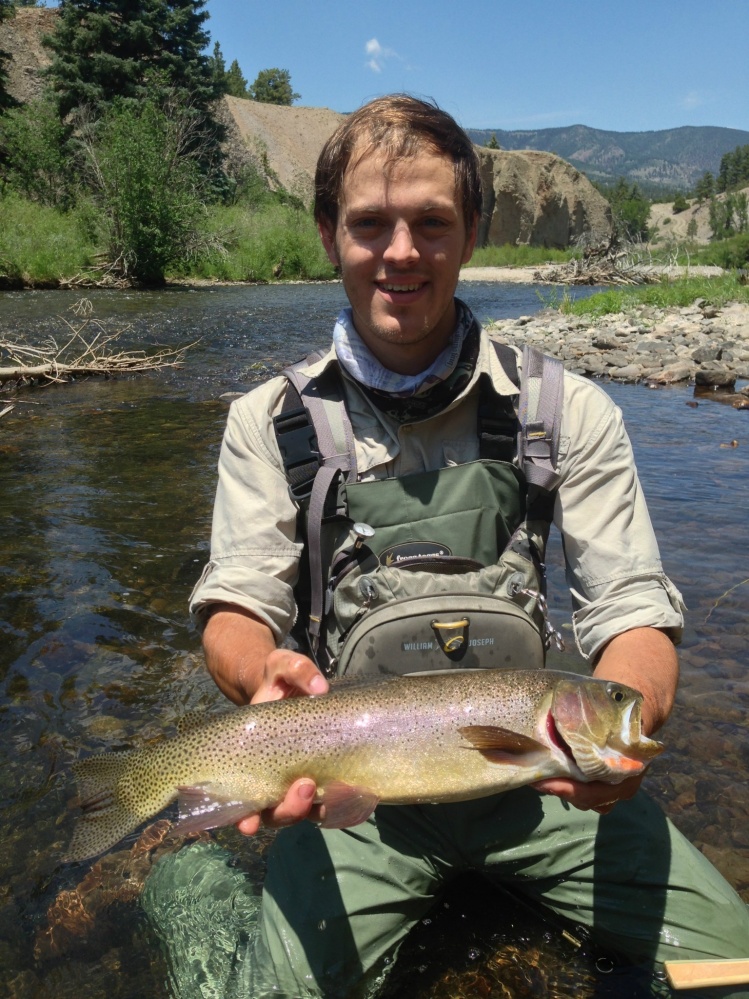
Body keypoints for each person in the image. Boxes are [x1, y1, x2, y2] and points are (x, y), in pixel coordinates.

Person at [144, 94, 749, 998]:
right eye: (369, 223)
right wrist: (259, 675)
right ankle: (187, 881)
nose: (399, 251)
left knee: (724, 974)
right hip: (356, 797)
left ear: (470, 233)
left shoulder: (566, 410)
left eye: (430, 222)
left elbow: (632, 613)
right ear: (325, 234)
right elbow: (238, 605)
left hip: (543, 788)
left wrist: (629, 735)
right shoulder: (266, 422)